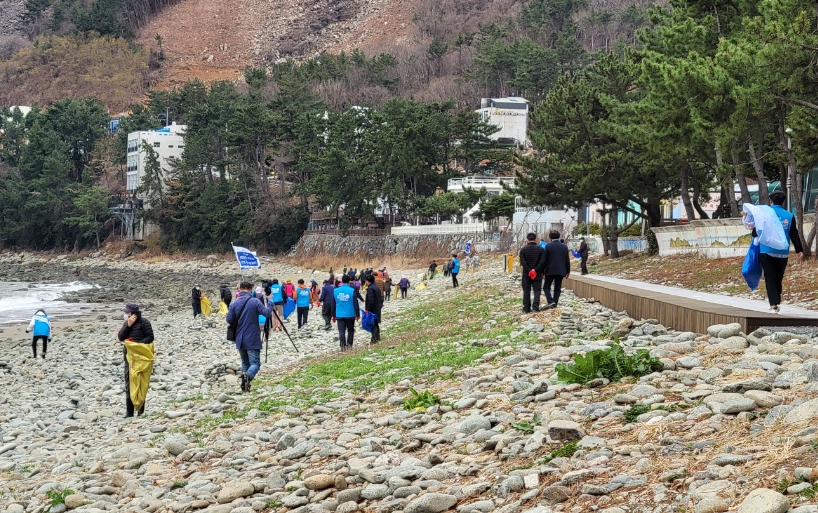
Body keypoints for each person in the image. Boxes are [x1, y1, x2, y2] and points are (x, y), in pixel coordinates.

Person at [743, 191, 804, 312]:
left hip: (766, 251)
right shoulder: (789, 215)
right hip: (783, 252)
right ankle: (776, 299)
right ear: (783, 201)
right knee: (778, 277)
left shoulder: (764, 214)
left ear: (770, 201)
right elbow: (794, 234)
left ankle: (773, 304)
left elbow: (756, 232)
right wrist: (799, 250)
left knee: (769, 276)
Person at [226, 282, 273, 393]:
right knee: (255, 363)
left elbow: (229, 320)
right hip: (252, 336)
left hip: (239, 337)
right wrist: (270, 303)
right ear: (250, 289)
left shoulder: (234, 303)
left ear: (240, 289)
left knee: (245, 363)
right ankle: (247, 376)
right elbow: (266, 313)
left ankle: (245, 385)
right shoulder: (254, 301)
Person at [117, 304, 154, 417]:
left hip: (141, 357)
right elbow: (121, 337)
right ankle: (129, 412)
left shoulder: (144, 322)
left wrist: (137, 345)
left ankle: (140, 410)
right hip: (129, 357)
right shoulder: (127, 323)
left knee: (140, 382)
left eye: (128, 313)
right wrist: (128, 325)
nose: (126, 315)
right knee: (129, 382)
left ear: (134, 313)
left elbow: (150, 337)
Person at [542, 230, 571, 308]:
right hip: (561, 270)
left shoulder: (548, 246)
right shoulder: (564, 246)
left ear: (550, 237)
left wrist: (542, 271)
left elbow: (545, 260)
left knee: (546, 287)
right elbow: (567, 260)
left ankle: (550, 301)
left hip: (549, 270)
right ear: (559, 237)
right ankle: (555, 303)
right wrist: (568, 271)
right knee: (557, 288)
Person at [519, 232, 546, 313]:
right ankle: (535, 307)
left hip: (526, 274)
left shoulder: (523, 250)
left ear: (527, 239)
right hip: (538, 273)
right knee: (537, 290)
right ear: (535, 239)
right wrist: (536, 270)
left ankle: (526, 308)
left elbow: (523, 262)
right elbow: (542, 262)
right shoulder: (541, 249)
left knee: (526, 290)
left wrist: (529, 270)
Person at [332, 275, 360, 351]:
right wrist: (357, 314)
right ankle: (349, 345)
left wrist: (333, 315)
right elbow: (355, 303)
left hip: (339, 314)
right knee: (350, 330)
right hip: (350, 314)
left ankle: (343, 346)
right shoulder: (352, 290)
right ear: (348, 281)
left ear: (342, 281)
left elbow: (333, 304)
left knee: (341, 331)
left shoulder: (335, 291)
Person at [364, 274, 383, 343]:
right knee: (376, 323)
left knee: (373, 324)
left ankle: (374, 338)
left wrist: (368, 309)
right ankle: (377, 337)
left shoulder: (370, 289)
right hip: (377, 308)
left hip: (372, 309)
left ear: (367, 281)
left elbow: (371, 300)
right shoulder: (376, 287)